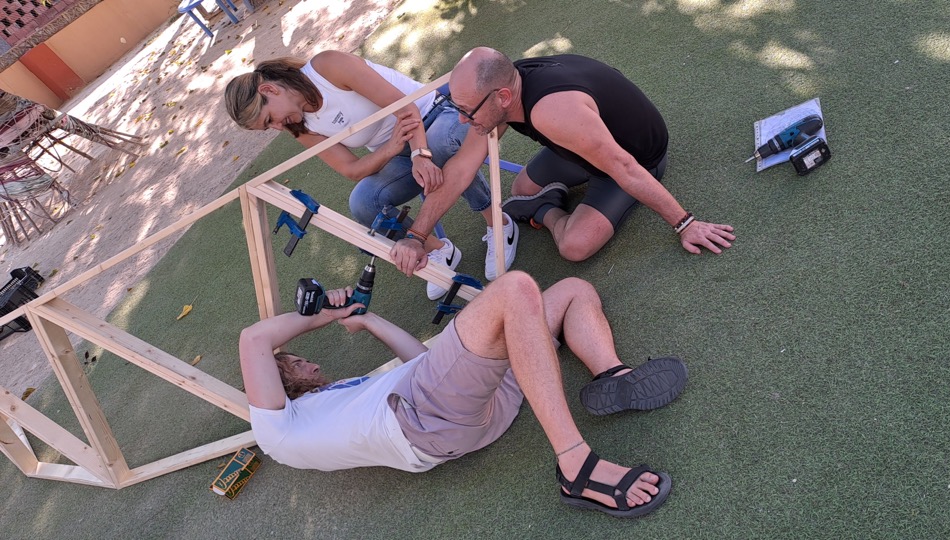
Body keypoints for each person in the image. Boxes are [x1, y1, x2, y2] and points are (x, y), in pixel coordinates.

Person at [238, 271, 688, 517]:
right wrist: (329, 314)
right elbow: (252, 340)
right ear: (279, 383)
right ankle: (576, 465)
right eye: (296, 366)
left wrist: (371, 322)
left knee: (571, 291)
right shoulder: (277, 431)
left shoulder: (336, 402)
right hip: (426, 419)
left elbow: (422, 363)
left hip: (470, 412)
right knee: (514, 289)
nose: (312, 365)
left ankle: (611, 373)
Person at [389, 47, 735, 274]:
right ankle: (539, 201)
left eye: (467, 111)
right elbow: (461, 168)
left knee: (573, 246)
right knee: (522, 186)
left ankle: (546, 212)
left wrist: (685, 224)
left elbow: (625, 167)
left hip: (637, 158)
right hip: (583, 147)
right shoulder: (510, 85)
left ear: (503, 97)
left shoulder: (552, 113)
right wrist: (417, 236)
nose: (463, 120)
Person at [224, 50, 518, 300]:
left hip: (434, 115)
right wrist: (392, 149)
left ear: (269, 90)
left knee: (440, 147)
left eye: (269, 120)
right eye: (269, 128)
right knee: (363, 203)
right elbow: (351, 169)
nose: (277, 127)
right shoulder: (297, 125)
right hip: (399, 151)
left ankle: (498, 223)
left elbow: (407, 106)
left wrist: (420, 154)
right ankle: (438, 251)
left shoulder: (327, 67)